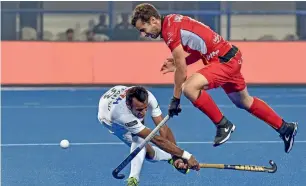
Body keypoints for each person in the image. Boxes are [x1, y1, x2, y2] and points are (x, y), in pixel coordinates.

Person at [131, 3, 298, 153]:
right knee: (244, 101)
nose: (143, 34)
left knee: (189, 87)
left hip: (224, 61)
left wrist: (175, 98)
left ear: (153, 20)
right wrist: (181, 63)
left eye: (143, 29)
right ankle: (285, 128)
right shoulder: (172, 21)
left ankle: (223, 124)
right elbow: (199, 47)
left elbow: (182, 70)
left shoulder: (169, 32)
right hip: (228, 57)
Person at [97, 85, 199, 186]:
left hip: (118, 94)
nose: (144, 112)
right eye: (140, 110)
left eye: (145, 108)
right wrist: (186, 155)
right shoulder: (120, 115)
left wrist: (177, 157)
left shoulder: (148, 96)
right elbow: (155, 139)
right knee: (144, 144)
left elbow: (162, 127)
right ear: (128, 105)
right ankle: (136, 177)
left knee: (145, 146)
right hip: (110, 121)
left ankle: (135, 178)